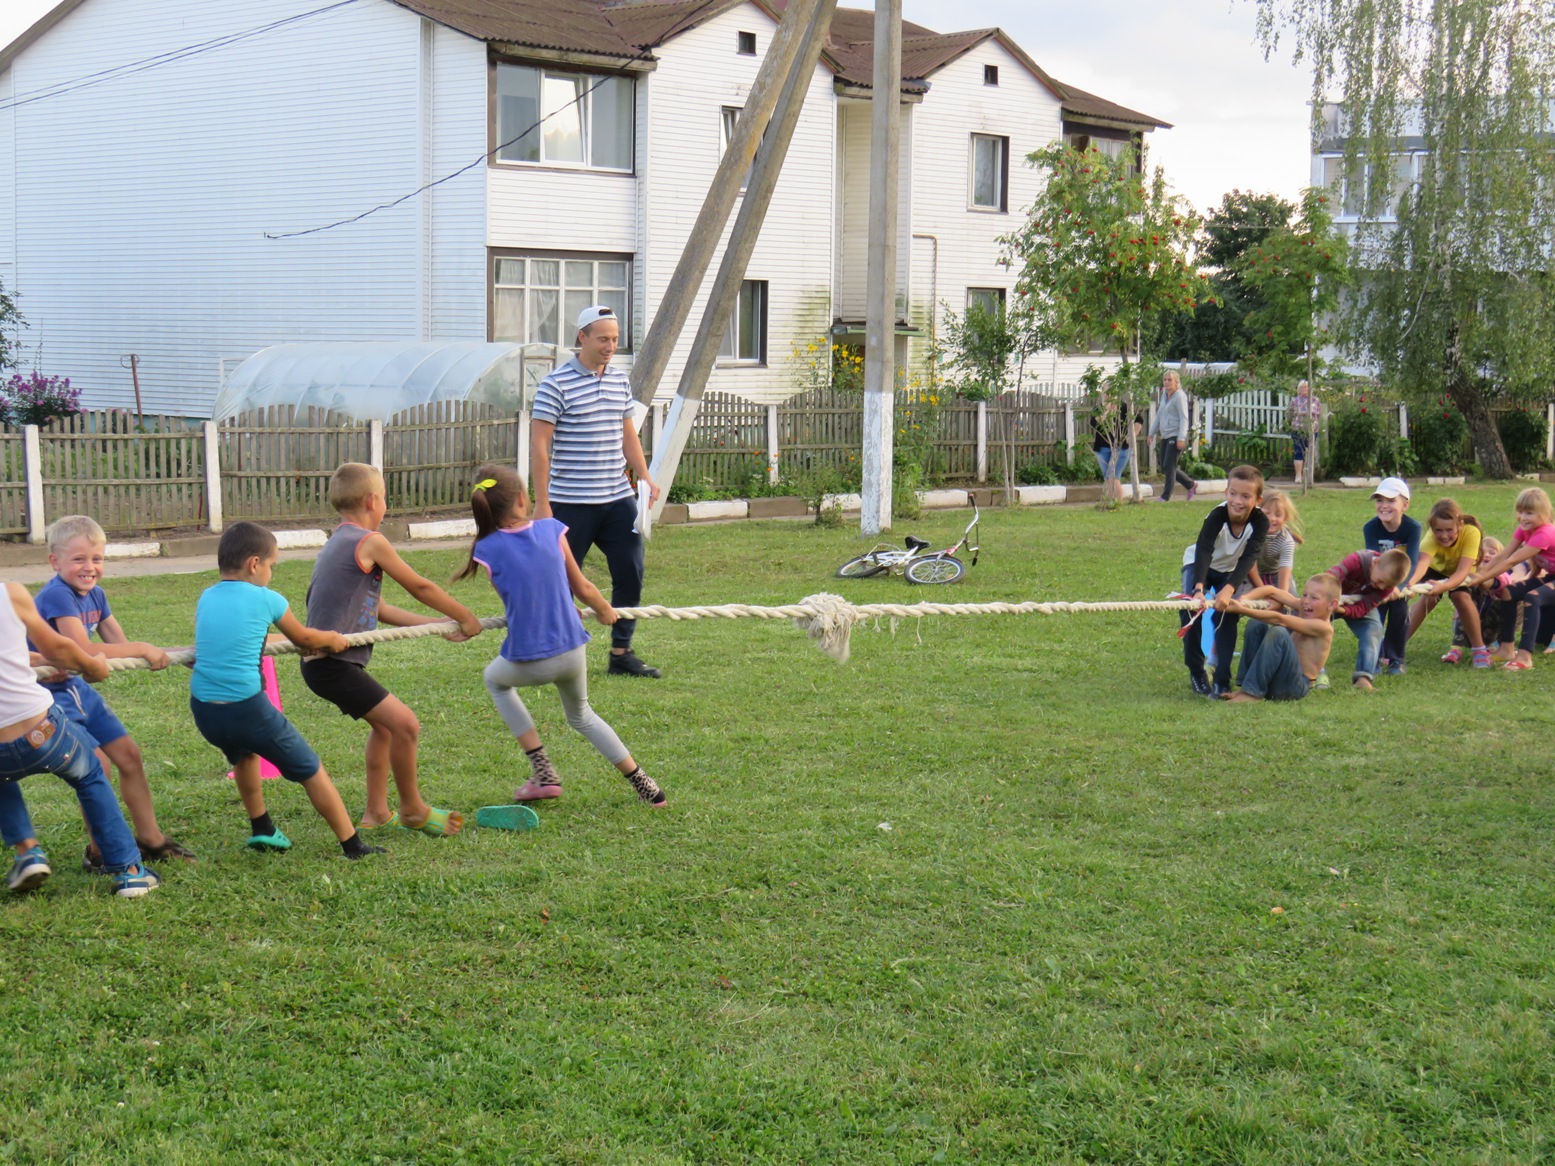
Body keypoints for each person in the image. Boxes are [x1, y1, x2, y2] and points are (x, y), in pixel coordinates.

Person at [455, 465, 666, 808]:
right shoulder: (552, 530)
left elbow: (517, 592)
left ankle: (543, 771)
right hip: (571, 650)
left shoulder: (486, 549)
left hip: (530, 659)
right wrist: (604, 610)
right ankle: (646, 785)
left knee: (494, 680)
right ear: (523, 500)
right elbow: (581, 586)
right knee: (582, 716)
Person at [301, 463, 485, 835]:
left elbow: (378, 608)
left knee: (385, 730)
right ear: (372, 500)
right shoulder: (370, 541)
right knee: (406, 725)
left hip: (327, 664)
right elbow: (420, 586)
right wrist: (464, 616)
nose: (385, 504)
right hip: (333, 663)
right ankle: (413, 808)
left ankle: (376, 813)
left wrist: (433, 626)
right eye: (384, 497)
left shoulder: (339, 540)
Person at [189, 522, 384, 858]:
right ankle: (353, 845)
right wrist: (332, 640)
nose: (271, 573)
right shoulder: (268, 598)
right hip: (246, 708)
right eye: (272, 566)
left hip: (205, 710)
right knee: (311, 769)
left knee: (243, 755)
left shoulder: (206, 597)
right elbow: (306, 638)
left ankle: (262, 828)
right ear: (254, 564)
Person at [30, 515, 194, 872]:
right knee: (96, 764)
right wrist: (142, 647)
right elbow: (81, 650)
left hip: (76, 688)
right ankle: (99, 851)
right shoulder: (57, 595)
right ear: (55, 562)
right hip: (47, 695)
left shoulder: (97, 595)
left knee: (129, 756)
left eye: (97, 559)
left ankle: (151, 838)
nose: (90, 568)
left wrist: (178, 655)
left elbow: (119, 646)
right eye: (79, 559)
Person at [1, 581, 160, 897]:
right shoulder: (11, 593)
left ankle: (27, 850)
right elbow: (58, 648)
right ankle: (129, 872)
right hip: (41, 730)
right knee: (89, 775)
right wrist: (92, 666)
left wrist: (32, 659)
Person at [530, 305, 661, 678]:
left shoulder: (620, 381)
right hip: (570, 502)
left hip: (618, 498)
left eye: (615, 340)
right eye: (603, 338)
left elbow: (628, 435)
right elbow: (540, 447)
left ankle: (621, 653)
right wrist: (542, 503)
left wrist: (645, 476)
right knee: (559, 581)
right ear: (581, 337)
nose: (610, 346)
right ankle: (556, 654)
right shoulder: (555, 385)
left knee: (631, 572)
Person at [1178, 465, 1269, 698]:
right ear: (1226, 492)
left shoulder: (1260, 522)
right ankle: (1197, 671)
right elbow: (1204, 550)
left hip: (1228, 571)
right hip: (1199, 565)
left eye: (1246, 496)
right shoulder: (1217, 516)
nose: (1237, 501)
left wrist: (1229, 589)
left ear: (1258, 500)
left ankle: (1222, 679)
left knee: (1228, 615)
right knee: (1191, 611)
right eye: (1233, 493)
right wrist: (1198, 589)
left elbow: (1250, 557)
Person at [1470, 487, 1555, 671]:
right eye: (1520, 511)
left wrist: (1481, 578)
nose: (1522, 517)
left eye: (1529, 513)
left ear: (1544, 514)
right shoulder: (1525, 529)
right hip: (1551, 577)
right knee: (1509, 591)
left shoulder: (1545, 533)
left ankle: (1525, 657)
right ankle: (1507, 648)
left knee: (1533, 596)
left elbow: (1513, 561)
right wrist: (1481, 573)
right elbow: (1504, 554)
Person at [1224, 574, 1342, 702]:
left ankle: (1252, 693)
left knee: (1279, 633)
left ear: (1332, 605)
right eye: (1304, 595)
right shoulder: (1304, 607)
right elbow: (1272, 591)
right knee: (1256, 624)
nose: (1306, 601)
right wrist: (1245, 599)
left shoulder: (1323, 627)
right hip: (1277, 677)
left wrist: (1242, 610)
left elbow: (1280, 619)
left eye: (1314, 598)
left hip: (1294, 687)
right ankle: (1245, 687)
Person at [1404, 499, 1489, 667]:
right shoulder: (1430, 537)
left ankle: (1479, 649)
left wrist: (1444, 586)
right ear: (1432, 528)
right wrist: (1410, 583)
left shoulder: (1471, 533)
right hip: (1437, 568)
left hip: (1461, 570)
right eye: (1438, 531)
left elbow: (1462, 571)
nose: (1443, 535)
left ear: (1460, 525)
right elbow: (1422, 564)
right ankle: (1395, 646)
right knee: (1428, 599)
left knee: (1460, 596)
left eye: (1449, 530)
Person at [1326, 547, 1413, 691]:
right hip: (1331, 599)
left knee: (1374, 629)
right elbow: (1331, 576)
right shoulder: (1357, 560)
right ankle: (1314, 671)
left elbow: (1362, 608)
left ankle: (1363, 677)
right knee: (1313, 625)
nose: (1381, 586)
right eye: (1380, 581)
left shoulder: (1387, 588)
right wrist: (1327, 598)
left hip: (1356, 604)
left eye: (1387, 585)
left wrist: (1342, 610)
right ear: (1376, 563)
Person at [1363, 477, 1420, 675]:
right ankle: (1375, 659)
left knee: (1400, 614)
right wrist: (1381, 586)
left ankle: (1396, 660)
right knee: (1375, 617)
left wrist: (1401, 586)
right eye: (1379, 501)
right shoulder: (1370, 528)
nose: (1384, 506)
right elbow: (1373, 559)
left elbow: (1412, 560)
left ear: (1405, 505)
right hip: (1378, 581)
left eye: (1390, 501)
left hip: (1400, 583)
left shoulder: (1413, 528)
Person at [1147, 371, 1196, 502]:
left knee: (1169, 465)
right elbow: (1159, 416)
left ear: (1176, 382)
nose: (1167, 382)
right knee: (1165, 466)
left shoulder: (1180, 396)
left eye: (1170, 380)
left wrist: (1181, 438)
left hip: (1176, 435)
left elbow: (1184, 418)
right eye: (1165, 380)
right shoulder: (1164, 396)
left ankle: (1166, 496)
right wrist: (1151, 433)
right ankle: (1190, 484)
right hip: (1166, 434)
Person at [1248, 488, 1303, 596]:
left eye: (1278, 515)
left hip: (1275, 574)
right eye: (1267, 513)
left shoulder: (1286, 541)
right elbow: (1250, 566)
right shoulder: (1249, 532)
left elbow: (1284, 577)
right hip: (1248, 573)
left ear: (1285, 517)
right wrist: (1263, 591)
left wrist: (1282, 597)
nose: (1272, 518)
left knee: (1291, 604)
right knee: (1235, 601)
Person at [1090, 398, 1142, 503]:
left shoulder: (1124, 407)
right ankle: (1110, 502)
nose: (1108, 396)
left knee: (1113, 476)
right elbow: (1094, 423)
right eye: (1106, 393)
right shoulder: (1098, 408)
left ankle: (1117, 502)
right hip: (1102, 448)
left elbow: (1139, 420)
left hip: (1120, 447)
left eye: (1111, 393)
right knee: (1108, 478)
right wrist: (1106, 411)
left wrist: (1131, 435)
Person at [1288, 380, 1321, 485]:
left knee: (1309, 453)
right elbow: (1290, 414)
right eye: (1302, 387)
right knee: (1298, 452)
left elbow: (1318, 414)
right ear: (1298, 389)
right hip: (1298, 430)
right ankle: (1298, 476)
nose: (1304, 389)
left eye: (1306, 387)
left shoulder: (1315, 400)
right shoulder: (1294, 400)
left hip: (1311, 430)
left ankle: (1308, 476)